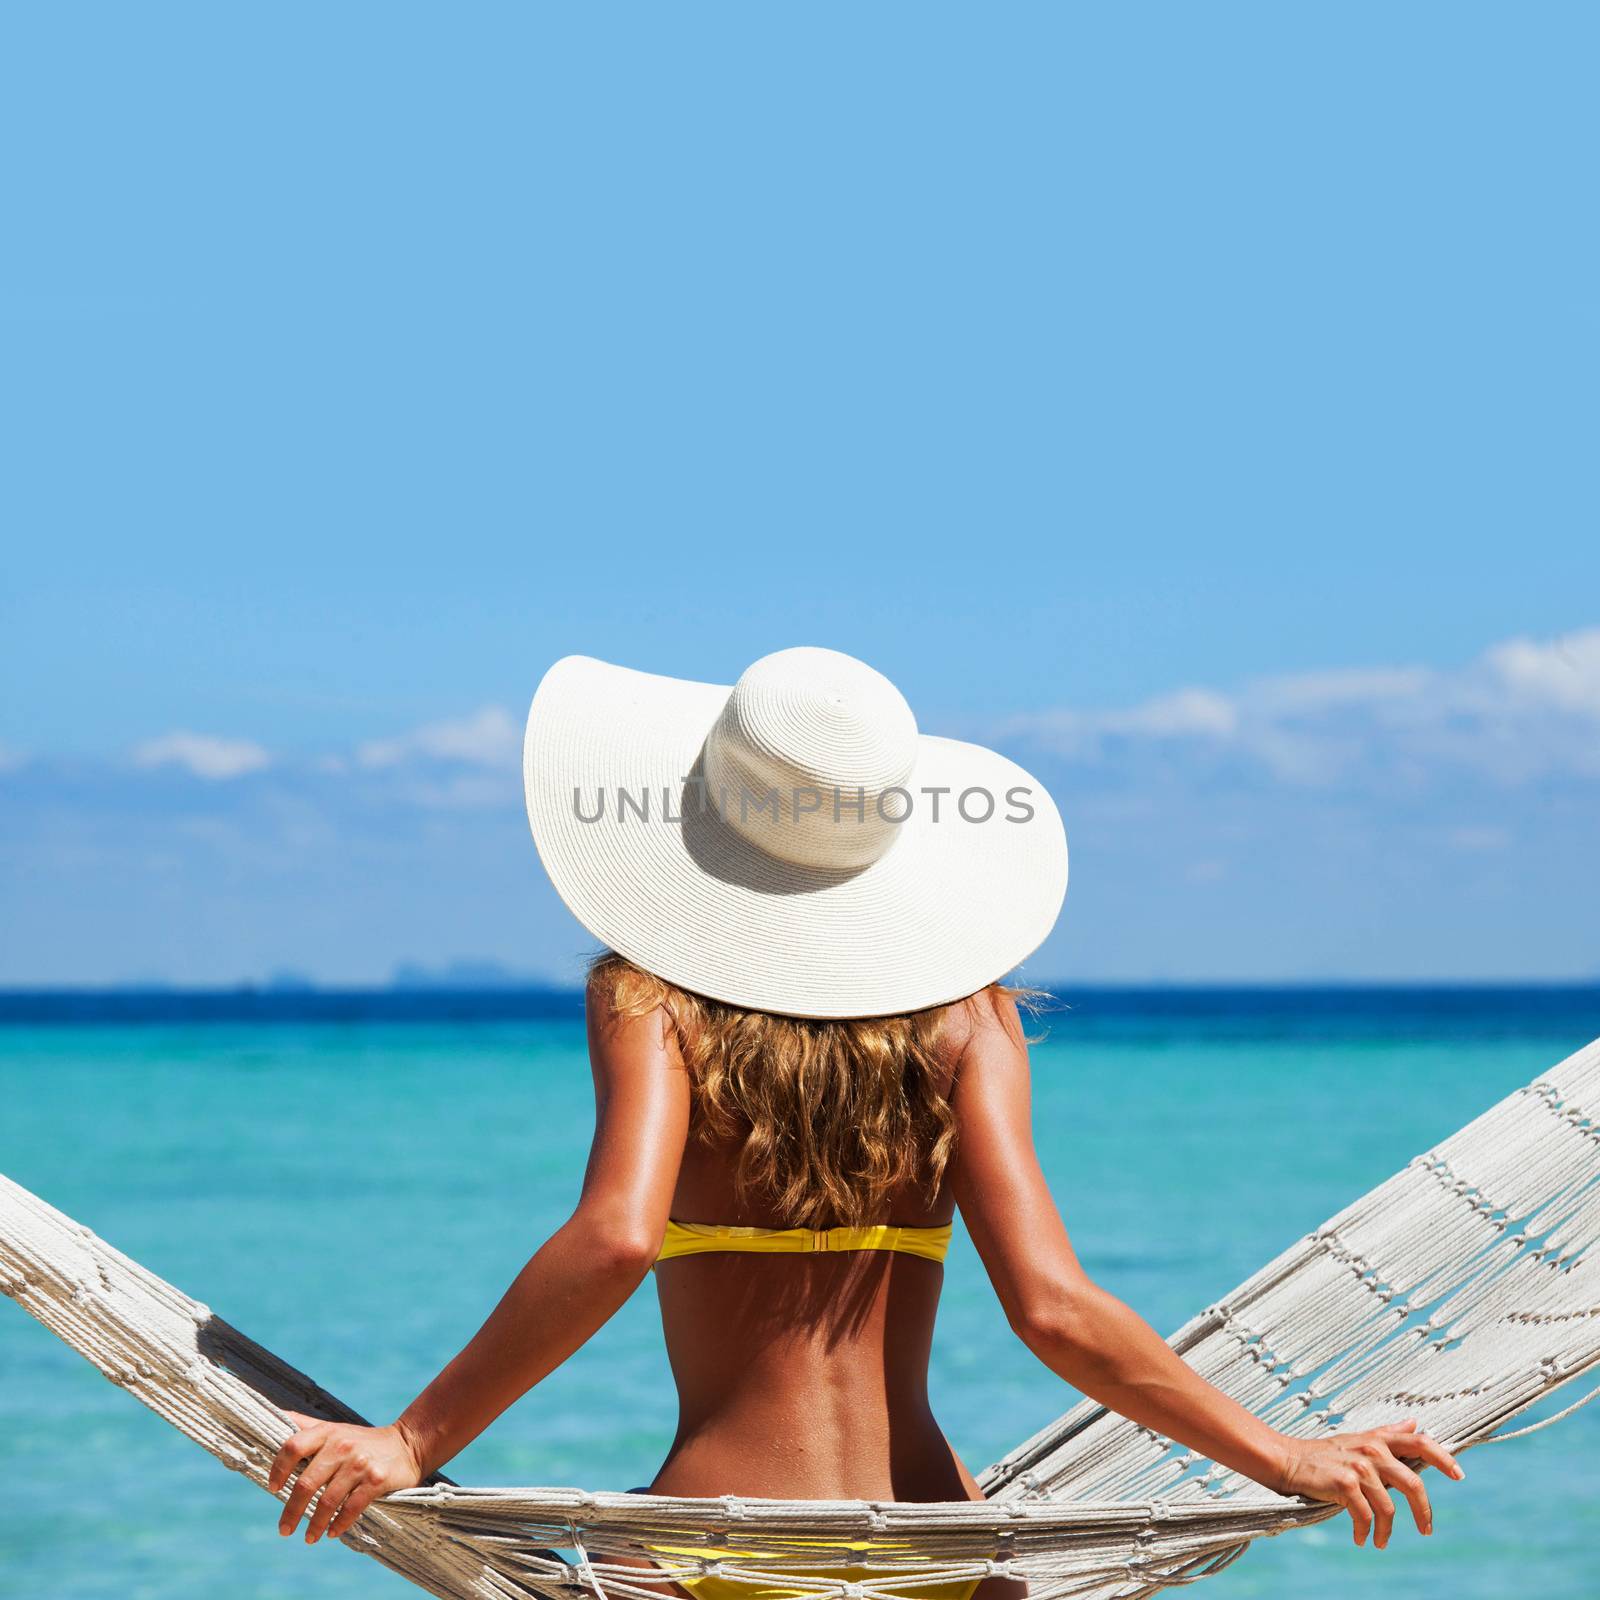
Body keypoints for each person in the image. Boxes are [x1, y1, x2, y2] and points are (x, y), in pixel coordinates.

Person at [268, 648, 1462, 1594]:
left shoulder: (650, 1001)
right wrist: (1288, 1455)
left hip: (715, 1549)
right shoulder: (968, 1020)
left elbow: (616, 1239)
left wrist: (415, 1441)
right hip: (943, 1551)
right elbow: (1054, 1307)